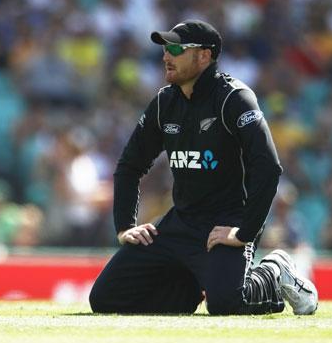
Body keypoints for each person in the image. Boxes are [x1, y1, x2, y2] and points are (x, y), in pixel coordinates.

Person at [89, 19, 318, 315]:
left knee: (225, 304)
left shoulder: (234, 99)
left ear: (204, 56)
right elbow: (130, 165)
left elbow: (268, 168)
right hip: (180, 222)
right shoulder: (164, 102)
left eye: (175, 48)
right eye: (164, 48)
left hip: (226, 223)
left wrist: (244, 232)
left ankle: (275, 270)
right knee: (105, 299)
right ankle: (187, 289)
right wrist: (125, 226)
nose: (166, 56)